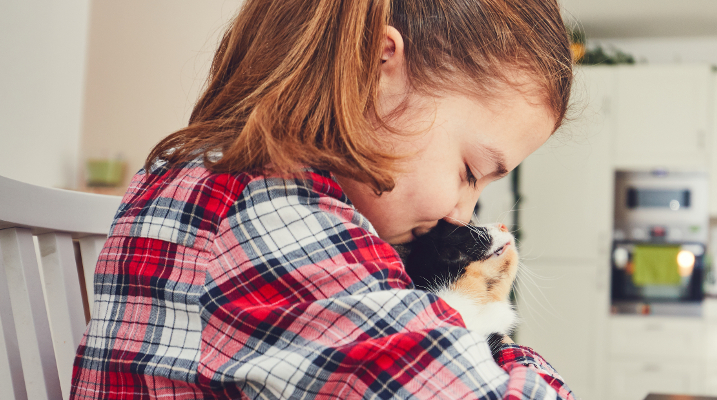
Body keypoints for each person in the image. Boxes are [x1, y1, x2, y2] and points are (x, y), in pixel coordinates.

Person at [70, 0, 575, 399]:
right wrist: (497, 348)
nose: (460, 215)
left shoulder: (217, 180)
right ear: (379, 63)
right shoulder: (266, 213)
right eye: (469, 172)